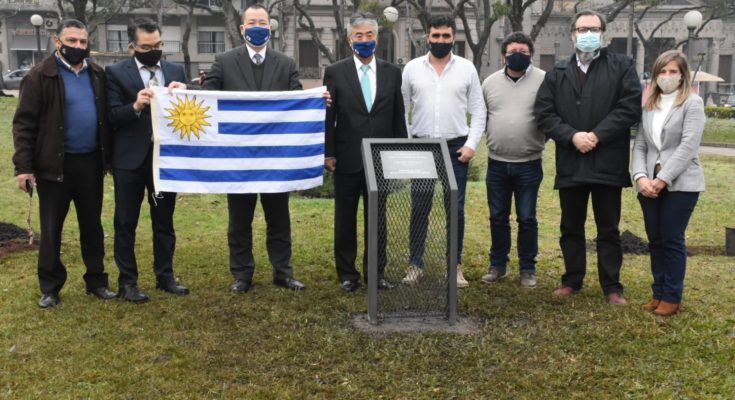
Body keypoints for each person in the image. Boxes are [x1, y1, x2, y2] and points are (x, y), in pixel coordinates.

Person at [535, 10, 641, 305]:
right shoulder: (557, 73)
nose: (587, 33)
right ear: (572, 34)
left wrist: (597, 135)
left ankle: (612, 286)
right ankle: (572, 279)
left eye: (593, 28)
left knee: (608, 227)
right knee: (571, 225)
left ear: (603, 33)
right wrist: (571, 136)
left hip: (608, 161)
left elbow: (630, 107)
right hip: (571, 161)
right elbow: (544, 113)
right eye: (582, 29)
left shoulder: (622, 66)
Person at [202, 4, 309, 293]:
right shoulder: (224, 61)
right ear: (242, 28)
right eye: (252, 22)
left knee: (279, 218)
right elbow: (206, 96)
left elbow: (297, 100)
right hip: (238, 157)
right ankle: (242, 273)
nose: (258, 26)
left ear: (270, 28)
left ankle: (283, 272)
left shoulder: (285, 63)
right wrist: (180, 91)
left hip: (275, 158)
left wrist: (313, 104)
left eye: (263, 21)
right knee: (239, 219)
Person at [12, 19, 115, 308]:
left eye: (83, 42)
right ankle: (50, 286)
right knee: (52, 227)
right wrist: (23, 168)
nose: (78, 47)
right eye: (72, 41)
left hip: (91, 164)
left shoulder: (97, 74)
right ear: (58, 42)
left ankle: (96, 281)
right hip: (53, 167)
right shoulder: (38, 76)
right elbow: (23, 125)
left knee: (92, 226)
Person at [106, 18, 190, 303]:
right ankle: (127, 282)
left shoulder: (175, 70)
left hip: (162, 164)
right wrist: (136, 106)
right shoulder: (115, 73)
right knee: (126, 223)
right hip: (130, 165)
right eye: (146, 46)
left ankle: (165, 276)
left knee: (163, 220)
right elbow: (112, 116)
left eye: (158, 45)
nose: (153, 50)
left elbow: (187, 115)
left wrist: (185, 94)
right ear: (132, 46)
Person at [323, 13, 408, 293]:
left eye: (368, 35)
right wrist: (329, 152)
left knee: (378, 221)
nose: (364, 40)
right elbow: (329, 116)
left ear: (377, 38)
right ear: (350, 41)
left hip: (381, 159)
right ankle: (347, 274)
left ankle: (376, 273)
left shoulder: (393, 73)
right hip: (347, 158)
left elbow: (398, 116)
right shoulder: (335, 72)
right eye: (358, 36)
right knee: (345, 219)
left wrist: (399, 152)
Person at [401, 14, 486, 288]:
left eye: (446, 36)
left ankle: (455, 266)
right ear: (427, 37)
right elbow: (401, 108)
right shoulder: (412, 68)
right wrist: (408, 141)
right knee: (420, 207)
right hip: (422, 146)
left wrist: (471, 145)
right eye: (435, 36)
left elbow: (479, 110)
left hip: (455, 147)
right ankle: (415, 264)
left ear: (454, 37)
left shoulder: (467, 69)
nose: (440, 41)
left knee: (456, 210)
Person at [631, 50, 705, 316]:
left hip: (681, 184)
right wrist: (640, 177)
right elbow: (640, 145)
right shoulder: (650, 104)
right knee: (655, 240)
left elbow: (688, 146)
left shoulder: (692, 103)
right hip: (648, 184)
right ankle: (658, 291)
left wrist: (662, 179)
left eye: (673, 71)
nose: (667, 76)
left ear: (683, 74)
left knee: (672, 239)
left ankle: (672, 297)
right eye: (662, 71)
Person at [480, 32, 546, 289]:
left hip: (529, 163)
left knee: (527, 218)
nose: (517, 55)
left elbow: (551, 116)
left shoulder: (544, 80)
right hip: (496, 163)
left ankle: (528, 268)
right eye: (512, 51)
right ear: (503, 55)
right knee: (497, 216)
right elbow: (482, 116)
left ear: (531, 54)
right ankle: (498, 265)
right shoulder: (490, 83)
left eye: (523, 51)